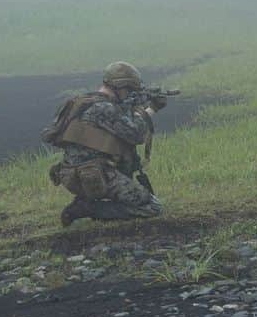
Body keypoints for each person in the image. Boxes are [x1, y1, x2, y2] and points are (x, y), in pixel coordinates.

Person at [45, 61, 168, 227]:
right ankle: (88, 208)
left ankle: (86, 201)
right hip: (94, 175)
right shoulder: (104, 108)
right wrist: (150, 109)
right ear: (120, 86)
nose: (130, 94)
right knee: (154, 207)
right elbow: (136, 134)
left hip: (73, 174)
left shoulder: (85, 101)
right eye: (129, 90)